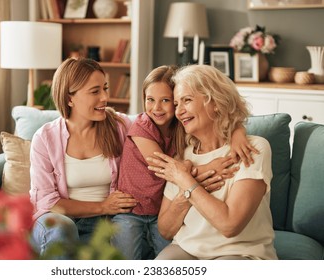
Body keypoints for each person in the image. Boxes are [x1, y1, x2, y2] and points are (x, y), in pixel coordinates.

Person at [111, 65, 258, 260]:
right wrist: (208, 168)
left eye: (166, 101)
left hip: (157, 212)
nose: (157, 108)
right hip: (131, 209)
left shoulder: (183, 128)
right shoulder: (142, 126)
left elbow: (225, 115)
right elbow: (164, 167)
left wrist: (238, 132)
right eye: (150, 100)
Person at [147, 64, 278, 260]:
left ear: (215, 101)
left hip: (239, 253)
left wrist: (186, 181)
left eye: (187, 101)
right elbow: (165, 230)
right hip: (186, 250)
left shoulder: (253, 149)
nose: (179, 111)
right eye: (176, 104)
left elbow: (229, 225)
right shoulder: (182, 157)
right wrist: (186, 194)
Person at [29, 58, 137, 259]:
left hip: (103, 222)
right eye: (95, 91)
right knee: (62, 229)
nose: (105, 97)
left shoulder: (119, 127)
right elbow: (47, 202)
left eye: (105, 88)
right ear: (70, 98)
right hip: (57, 221)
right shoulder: (44, 138)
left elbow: (151, 133)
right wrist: (103, 206)